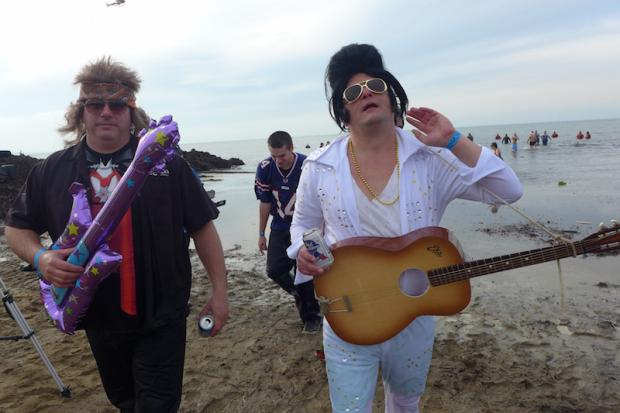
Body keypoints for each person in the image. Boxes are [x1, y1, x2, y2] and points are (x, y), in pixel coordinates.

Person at [287, 43, 522, 412]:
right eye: (353, 91)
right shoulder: (320, 166)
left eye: (375, 85)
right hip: (348, 313)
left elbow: (509, 191)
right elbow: (302, 225)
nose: (367, 93)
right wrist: (301, 253)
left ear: (390, 92)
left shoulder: (430, 158)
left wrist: (455, 141)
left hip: (414, 311)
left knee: (405, 402)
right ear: (342, 108)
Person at [5, 57, 229, 412]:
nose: (105, 111)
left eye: (117, 104)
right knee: (125, 401)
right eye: (95, 104)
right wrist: (41, 257)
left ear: (131, 111)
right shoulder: (52, 170)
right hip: (98, 319)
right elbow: (17, 228)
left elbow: (202, 225)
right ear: (81, 112)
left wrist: (220, 291)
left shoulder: (165, 164)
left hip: (161, 315)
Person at [255, 131, 322, 333]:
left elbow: (322, 198)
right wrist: (261, 233)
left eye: (282, 155)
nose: (278, 160)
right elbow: (265, 202)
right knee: (274, 270)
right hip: (280, 225)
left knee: (307, 272)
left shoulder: (307, 165)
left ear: (291, 148)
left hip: (306, 228)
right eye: (274, 156)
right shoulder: (265, 168)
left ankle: (311, 318)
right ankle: (300, 295)